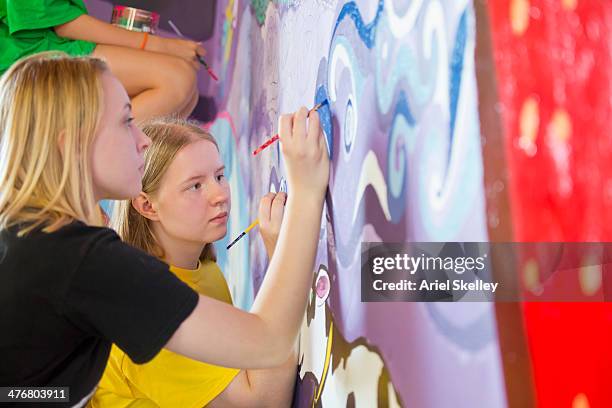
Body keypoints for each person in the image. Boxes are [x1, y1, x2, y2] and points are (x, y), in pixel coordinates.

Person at [0, 52, 328, 407]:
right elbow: (268, 344)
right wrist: (306, 192)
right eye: (126, 121)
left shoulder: (25, 238)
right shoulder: (79, 260)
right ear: (71, 145)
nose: (142, 140)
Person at [91, 117, 297, 407]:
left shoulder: (205, 271)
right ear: (147, 206)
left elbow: (250, 360)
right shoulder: (144, 310)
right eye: (195, 186)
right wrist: (284, 249)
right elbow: (262, 402)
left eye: (219, 176)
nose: (219, 196)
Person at [0, 0, 204, 120]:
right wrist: (159, 45)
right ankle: (81, 163)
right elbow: (64, 24)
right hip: (25, 64)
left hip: (44, 47)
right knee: (177, 81)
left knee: (186, 92)